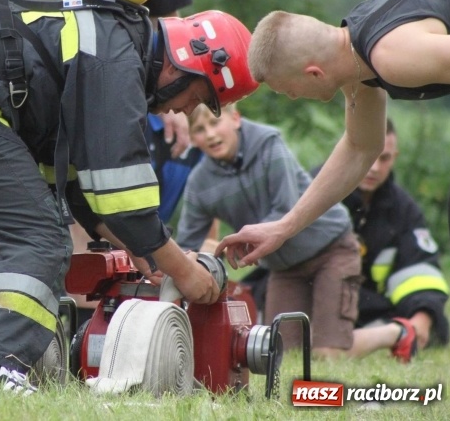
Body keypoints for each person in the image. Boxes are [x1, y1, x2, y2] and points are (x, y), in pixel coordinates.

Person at [0, 0, 256, 390]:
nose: (188, 111)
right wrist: (182, 269)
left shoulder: (113, 41)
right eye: (200, 97)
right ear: (187, 63)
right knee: (38, 237)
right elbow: (122, 194)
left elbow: (74, 185)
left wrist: (142, 250)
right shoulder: (116, 60)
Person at [1, 0, 194, 321]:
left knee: (107, 195)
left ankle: (97, 318)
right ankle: (53, 312)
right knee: (43, 205)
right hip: (38, 91)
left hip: (115, 94)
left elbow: (169, 23)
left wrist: (182, 108)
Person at [217, 0, 450, 276]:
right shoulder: (358, 63)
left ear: (314, 73)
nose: (292, 97)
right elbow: (360, 148)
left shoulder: (392, 56)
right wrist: (284, 227)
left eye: (288, 90)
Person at [177, 104, 419, 362]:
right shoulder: (199, 185)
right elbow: (186, 247)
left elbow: (287, 211)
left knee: (327, 353)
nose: (211, 134)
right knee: (280, 355)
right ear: (192, 138)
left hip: (332, 249)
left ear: (236, 118)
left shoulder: (268, 144)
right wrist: (192, 266)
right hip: (284, 268)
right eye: (200, 130)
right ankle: (328, 337)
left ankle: (398, 332)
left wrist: (239, 242)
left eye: (215, 123)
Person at [339, 118, 450, 349]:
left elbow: (421, 271)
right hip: (319, 302)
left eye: (384, 158)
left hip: (374, 309)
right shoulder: (314, 192)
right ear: (347, 148)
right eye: (368, 155)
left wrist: (422, 319)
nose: (374, 167)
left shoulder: (404, 209)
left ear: (395, 158)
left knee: (437, 324)